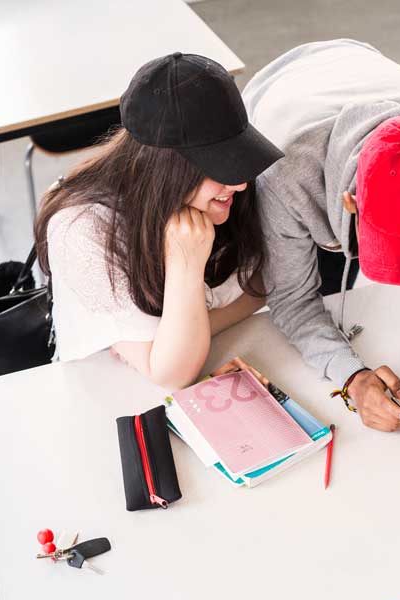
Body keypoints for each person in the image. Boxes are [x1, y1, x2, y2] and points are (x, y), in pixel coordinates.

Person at [242, 39, 400, 433]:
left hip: (363, 68)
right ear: (351, 203)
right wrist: (353, 379)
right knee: (327, 283)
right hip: (281, 94)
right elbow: (292, 299)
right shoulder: (285, 175)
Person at [34, 53, 284, 389]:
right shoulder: (81, 229)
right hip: (110, 400)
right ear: (166, 167)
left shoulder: (223, 193)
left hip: (231, 357)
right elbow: (171, 373)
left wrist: (190, 330)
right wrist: (186, 264)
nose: (239, 182)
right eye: (221, 165)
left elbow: (267, 285)